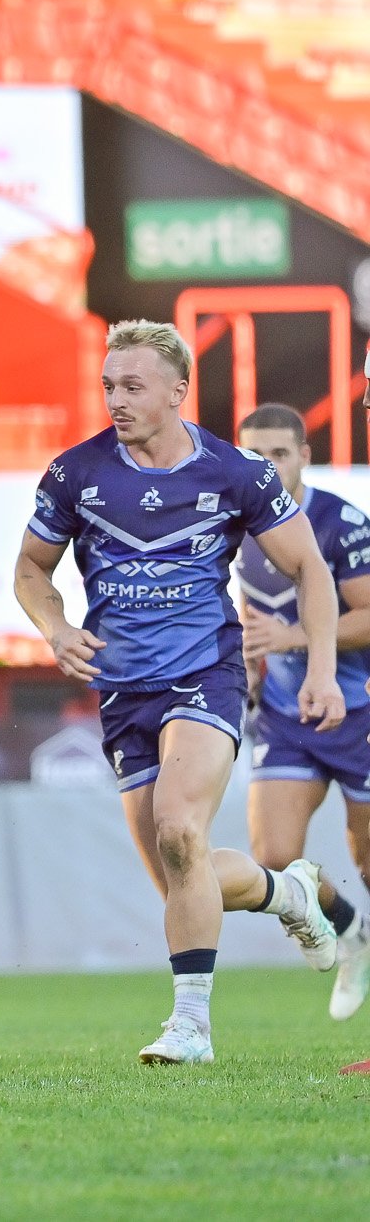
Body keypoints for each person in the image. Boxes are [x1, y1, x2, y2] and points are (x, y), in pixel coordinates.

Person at [14, 319, 345, 1065]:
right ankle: (287, 894)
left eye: (132, 386)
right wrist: (55, 628)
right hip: (121, 688)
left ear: (178, 391)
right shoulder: (75, 474)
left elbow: (310, 568)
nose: (116, 400)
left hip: (205, 673)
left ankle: (191, 1027)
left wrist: (321, 669)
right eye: (108, 386)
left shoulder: (235, 473)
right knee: (181, 876)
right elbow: (31, 570)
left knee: (178, 829)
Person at [234, 403, 370, 1021]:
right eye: (253, 456)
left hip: (357, 711)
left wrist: (290, 638)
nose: (265, 468)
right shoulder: (231, 526)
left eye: (279, 454)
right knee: (274, 858)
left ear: (304, 457)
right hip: (286, 717)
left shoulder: (341, 523)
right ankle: (351, 932)